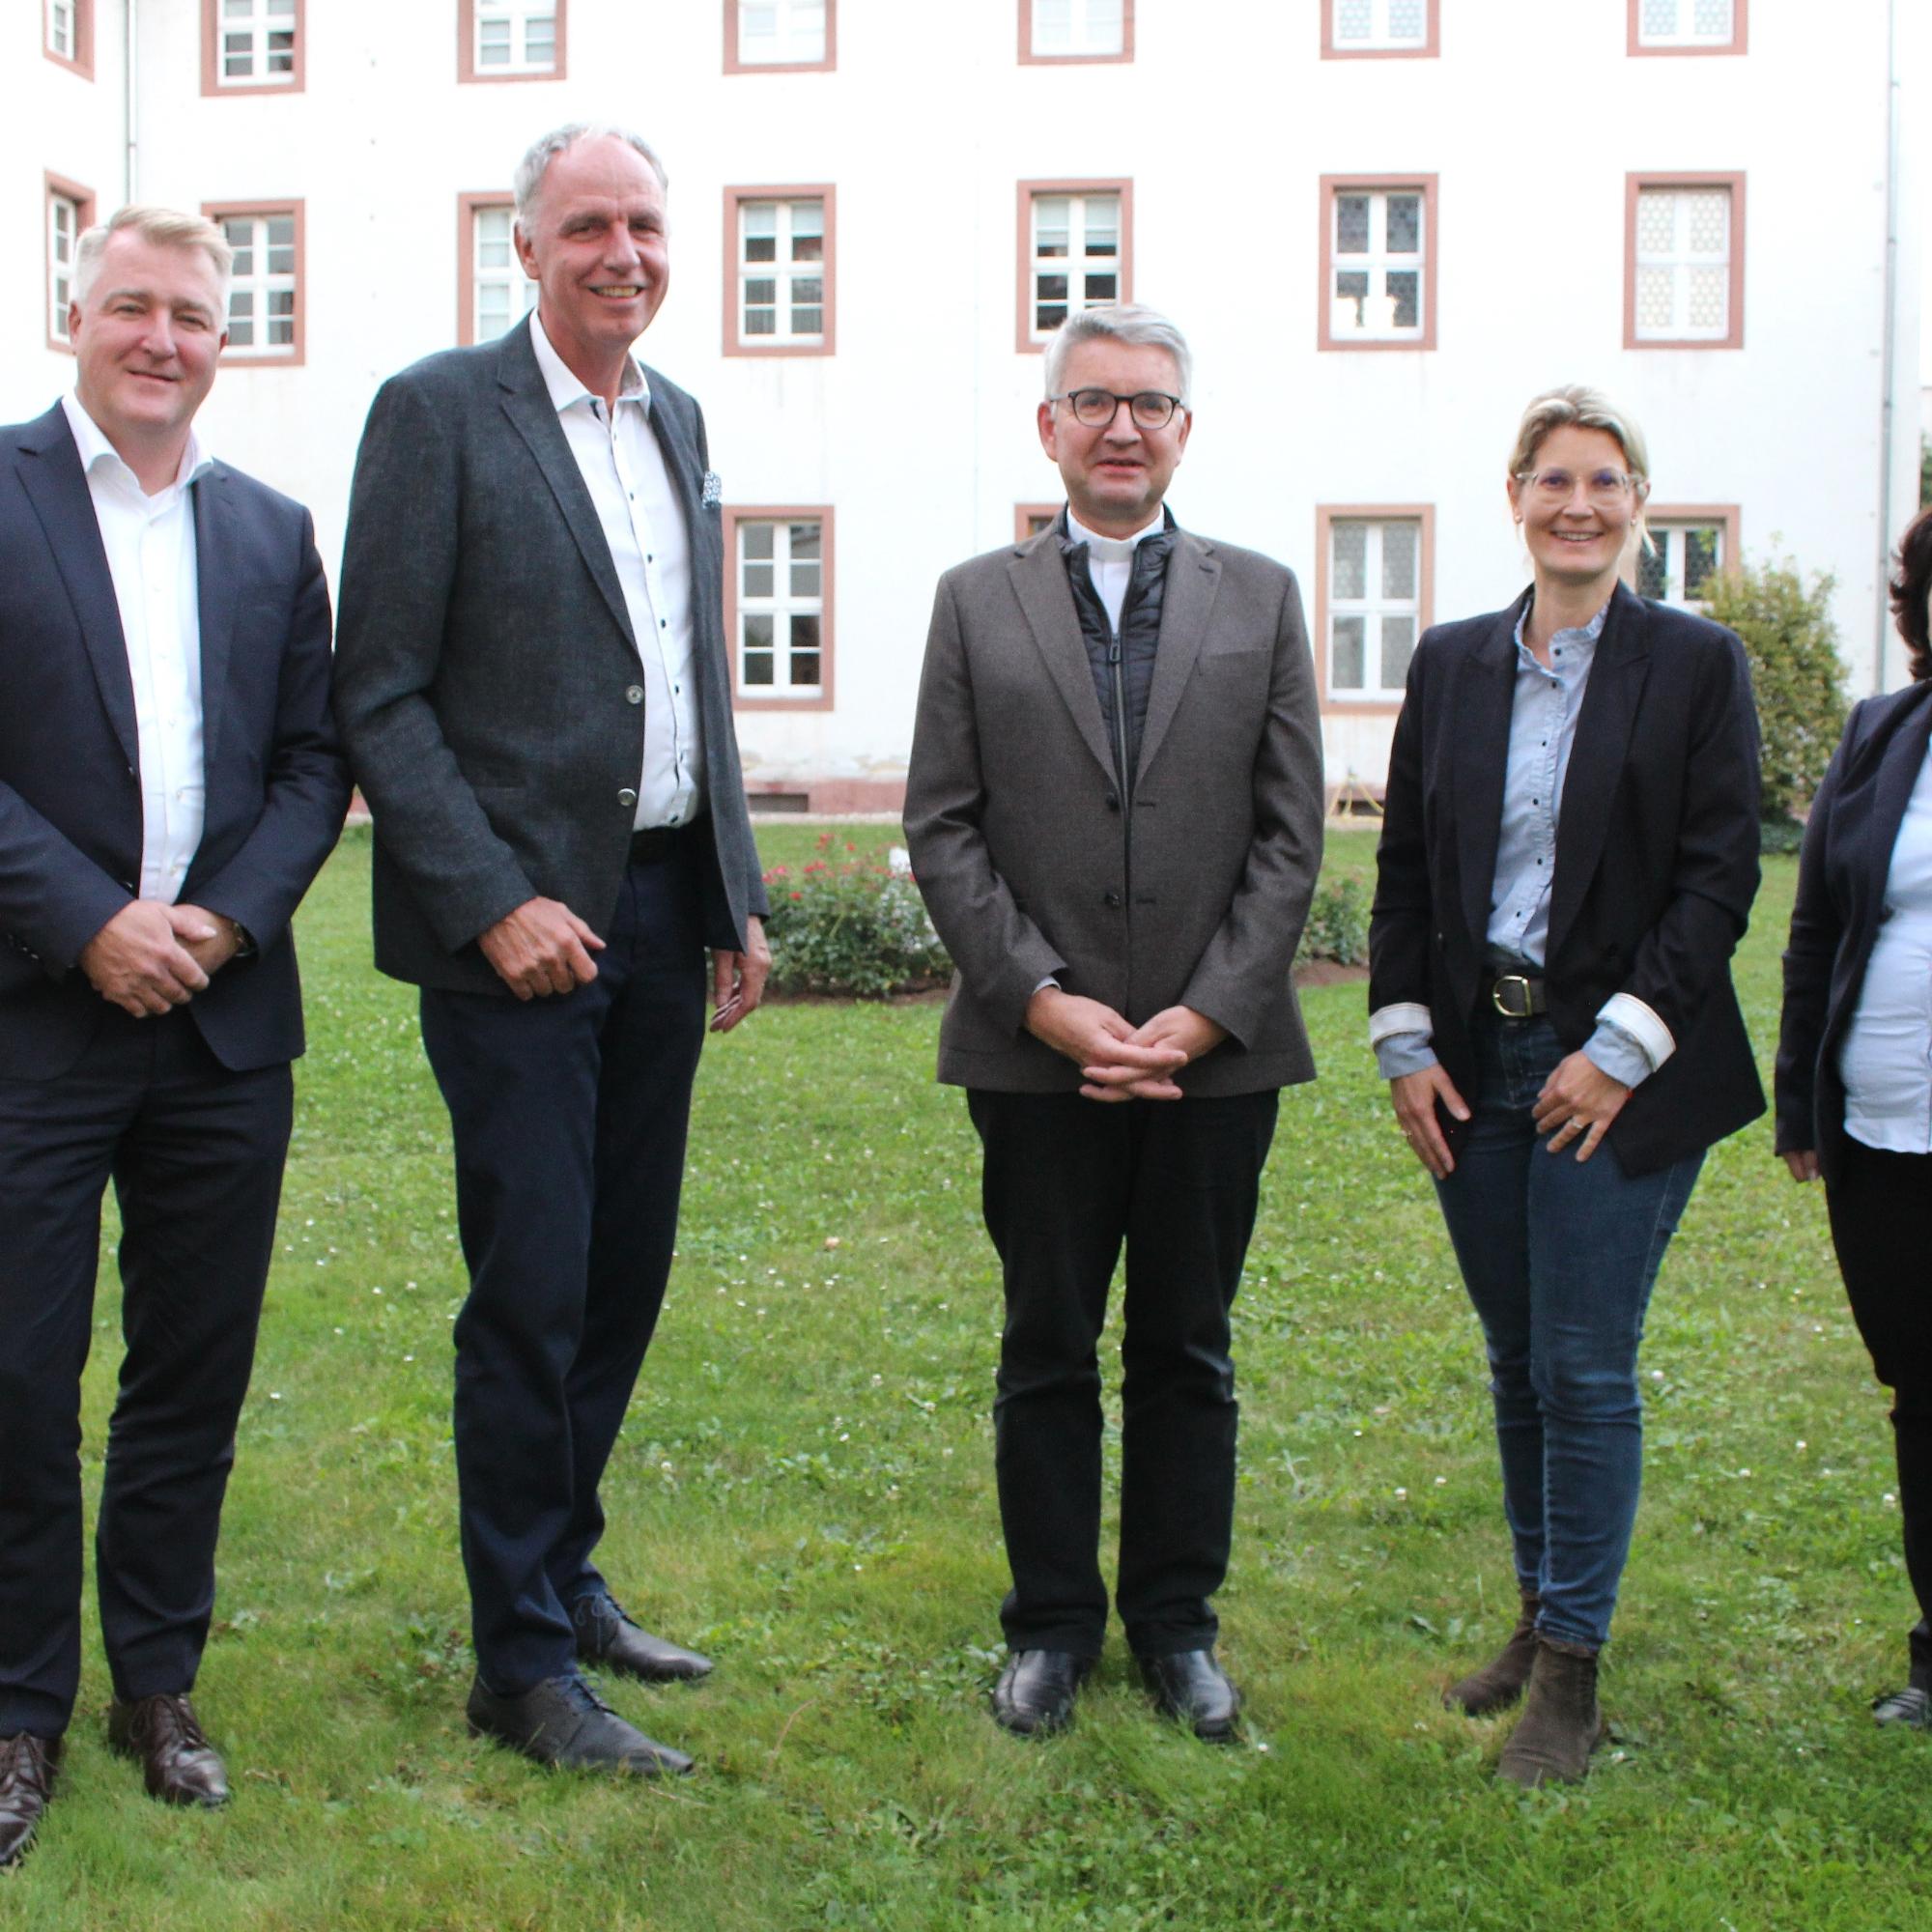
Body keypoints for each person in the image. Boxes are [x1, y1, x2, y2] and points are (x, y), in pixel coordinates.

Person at [333, 124, 770, 1779]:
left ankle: (564, 1577)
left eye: (646, 223)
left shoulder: (682, 420)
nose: (623, 253)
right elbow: (376, 688)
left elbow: (691, 676)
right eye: (586, 224)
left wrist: (731, 888)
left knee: (620, 1275)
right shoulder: (439, 414)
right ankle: (515, 1668)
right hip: (519, 930)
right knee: (530, 1289)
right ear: (522, 246)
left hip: (661, 907)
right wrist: (490, 897)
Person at [904, 303, 1324, 1742]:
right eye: (1093, 401)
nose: (1123, 425)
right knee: (1045, 1344)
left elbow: (1290, 835)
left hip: (1218, 1066)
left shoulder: (1261, 598)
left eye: (1149, 403)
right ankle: (1051, 1629)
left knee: (1189, 1351)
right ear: (1050, 428)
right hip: (1038, 1065)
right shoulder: (974, 601)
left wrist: (1206, 1015)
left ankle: (1177, 1628)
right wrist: (1047, 1004)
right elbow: (943, 826)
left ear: (1184, 430)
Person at [0, 207, 349, 1863]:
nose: (162, 336)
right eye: (130, 306)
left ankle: (158, 1682)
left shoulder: (271, 531)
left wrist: (217, 921)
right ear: (74, 317)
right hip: (31, 1018)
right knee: (13, 1375)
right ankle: (17, 1709)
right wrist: (88, 919)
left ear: (228, 336)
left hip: (220, 1024)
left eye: (194, 314)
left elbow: (310, 762)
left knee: (191, 1369)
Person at [1369, 384, 1764, 1786]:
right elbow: (1409, 868)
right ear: (1516, 498)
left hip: (1625, 1068)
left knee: (1585, 1365)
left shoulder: (1696, 666)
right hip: (1481, 1062)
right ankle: (1539, 1626)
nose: (1577, 504)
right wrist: (1407, 1044)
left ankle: (1575, 1684)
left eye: (1604, 481)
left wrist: (1622, 1048)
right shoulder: (1456, 663)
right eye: (1553, 480)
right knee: (1517, 1360)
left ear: (1637, 505)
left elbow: (1723, 876)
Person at [1776, 506, 1932, 1729]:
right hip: (1883, 1130)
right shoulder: (1883, 733)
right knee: (1920, 1390)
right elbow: (1818, 925)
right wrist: (1801, 1106)